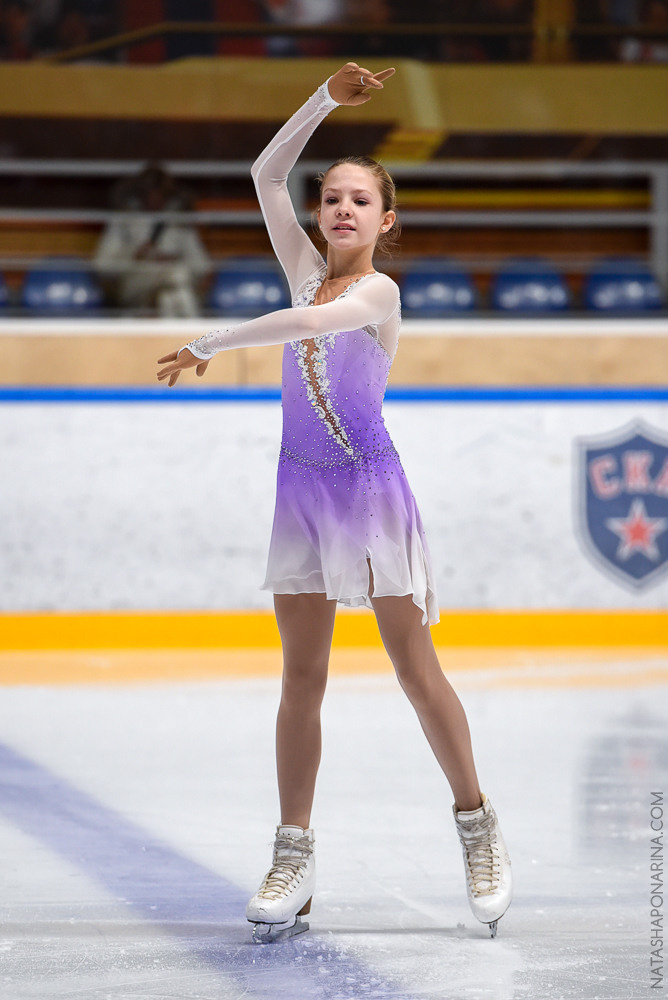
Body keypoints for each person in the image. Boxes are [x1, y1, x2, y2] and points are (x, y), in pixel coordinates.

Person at [156, 62, 512, 944]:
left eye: (361, 200)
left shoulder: (377, 293)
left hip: (370, 494)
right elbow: (265, 173)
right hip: (301, 493)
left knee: (414, 671)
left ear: (387, 221)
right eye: (332, 198)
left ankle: (477, 824)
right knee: (301, 678)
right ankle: (294, 855)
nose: (342, 208)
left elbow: (314, 326)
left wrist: (211, 341)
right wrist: (323, 99)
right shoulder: (302, 270)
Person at [95, 164, 210, 317]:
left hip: (174, 283)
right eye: (149, 192)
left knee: (169, 298)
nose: (154, 198)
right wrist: (134, 255)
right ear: (140, 193)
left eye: (159, 192)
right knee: (178, 274)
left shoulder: (178, 221)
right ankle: (197, 328)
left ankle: (183, 328)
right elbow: (102, 264)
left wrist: (172, 258)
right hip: (134, 283)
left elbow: (201, 266)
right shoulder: (124, 220)